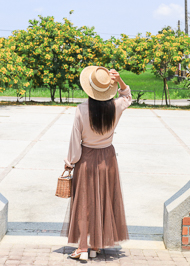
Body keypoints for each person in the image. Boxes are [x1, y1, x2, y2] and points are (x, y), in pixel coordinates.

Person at [63, 65, 132, 261]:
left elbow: (75, 141)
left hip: (86, 159)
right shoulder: (116, 107)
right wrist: (120, 81)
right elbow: (127, 97)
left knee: (84, 203)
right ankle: (95, 246)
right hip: (108, 159)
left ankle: (83, 248)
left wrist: (69, 163)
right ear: (107, 89)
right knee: (102, 200)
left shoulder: (81, 110)